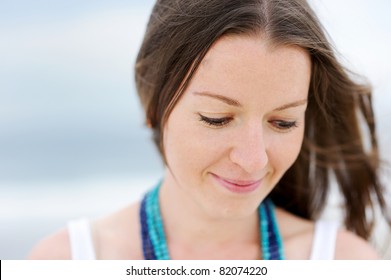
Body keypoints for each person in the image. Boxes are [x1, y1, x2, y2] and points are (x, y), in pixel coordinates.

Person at [28, 0, 390, 260]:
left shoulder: (343, 262)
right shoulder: (67, 262)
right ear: (153, 105)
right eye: (216, 118)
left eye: (284, 122)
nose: (253, 160)